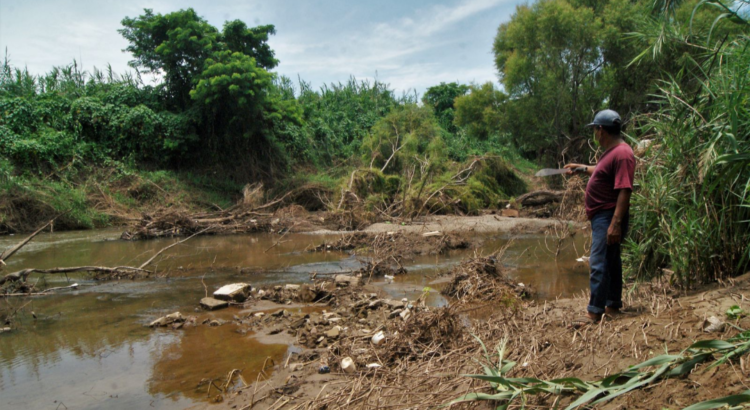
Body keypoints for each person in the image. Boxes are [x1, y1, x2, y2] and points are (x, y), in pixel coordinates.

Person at [564, 109, 635, 323]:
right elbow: (602, 171)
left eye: (595, 130)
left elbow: (625, 189)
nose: (595, 134)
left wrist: (615, 223)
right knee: (611, 262)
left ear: (601, 130)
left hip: (608, 216)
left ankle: (594, 312)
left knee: (598, 262)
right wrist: (581, 168)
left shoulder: (622, 153)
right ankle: (612, 305)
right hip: (604, 216)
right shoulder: (614, 152)